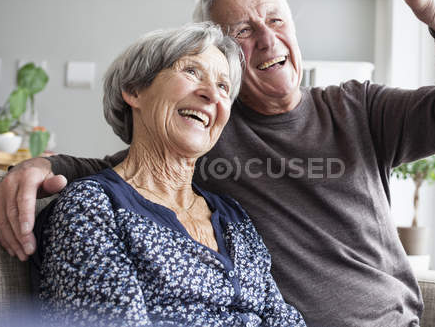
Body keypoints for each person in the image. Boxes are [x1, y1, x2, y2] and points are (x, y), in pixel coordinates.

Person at [0, 0, 435, 327]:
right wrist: (41, 165)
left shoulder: (360, 107)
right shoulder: (210, 127)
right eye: (242, 31)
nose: (267, 39)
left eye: (277, 20)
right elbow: (133, 173)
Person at [30, 23, 306, 326]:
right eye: (191, 72)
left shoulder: (232, 217)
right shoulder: (93, 207)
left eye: (223, 87)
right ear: (134, 90)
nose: (211, 94)